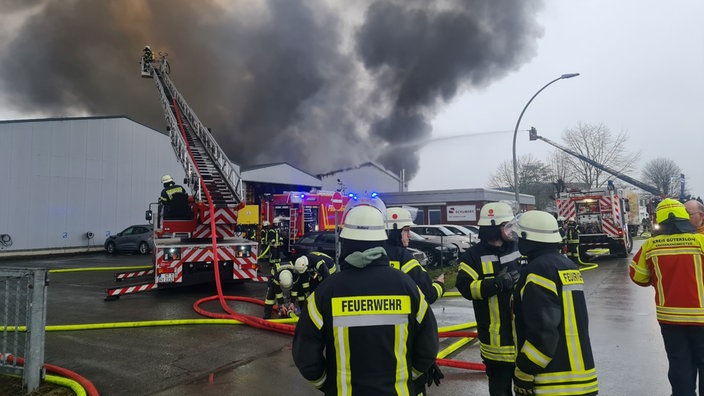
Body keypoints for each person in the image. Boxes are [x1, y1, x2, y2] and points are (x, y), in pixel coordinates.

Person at [292, 203, 439, 395]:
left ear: (344, 243)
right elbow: (428, 346)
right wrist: (408, 375)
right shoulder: (407, 286)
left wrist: (327, 384)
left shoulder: (325, 291)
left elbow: (305, 356)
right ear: (381, 241)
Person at [508, 210, 598, 395]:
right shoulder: (567, 265)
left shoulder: (538, 271)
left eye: (519, 236)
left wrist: (525, 369)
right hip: (582, 378)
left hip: (553, 381)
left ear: (529, 239)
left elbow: (543, 330)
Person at [630, 198, 704, 396]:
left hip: (670, 319)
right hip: (702, 318)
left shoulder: (650, 246)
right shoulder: (701, 242)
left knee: (679, 364)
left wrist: (660, 279)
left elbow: (638, 277)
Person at [455, 202, 521, 396]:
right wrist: (497, 284)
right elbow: (465, 288)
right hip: (495, 343)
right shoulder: (472, 256)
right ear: (493, 228)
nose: (511, 230)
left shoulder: (518, 247)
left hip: (523, 338)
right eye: (506, 226)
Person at [385, 206, 446, 394]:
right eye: (406, 230)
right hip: (404, 336)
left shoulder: (372, 256)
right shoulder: (404, 258)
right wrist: (440, 285)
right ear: (394, 231)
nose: (409, 235)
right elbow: (428, 294)